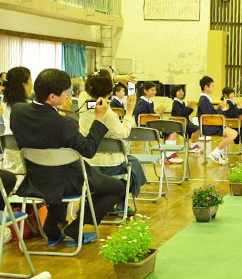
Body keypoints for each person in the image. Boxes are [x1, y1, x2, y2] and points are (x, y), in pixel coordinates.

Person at [11, 68, 125, 247]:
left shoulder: (18, 111)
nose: (69, 96)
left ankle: (52, 230)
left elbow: (81, 107)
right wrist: (99, 117)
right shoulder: (64, 124)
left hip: (37, 180)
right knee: (117, 187)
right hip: (67, 181)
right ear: (52, 97)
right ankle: (77, 227)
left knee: (57, 176)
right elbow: (88, 149)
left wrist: (69, 110)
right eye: (66, 93)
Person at [78, 69, 147, 213]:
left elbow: (93, 96)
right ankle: (121, 202)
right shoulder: (107, 115)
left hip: (87, 163)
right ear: (110, 91)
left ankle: (99, 201)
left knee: (131, 161)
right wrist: (129, 112)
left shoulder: (84, 101)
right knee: (133, 164)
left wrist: (116, 78)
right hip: (108, 164)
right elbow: (123, 132)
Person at [197, 76, 237, 165]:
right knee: (233, 134)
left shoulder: (205, 99)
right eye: (212, 86)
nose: (213, 88)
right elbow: (209, 117)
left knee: (233, 132)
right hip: (208, 127)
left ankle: (219, 151)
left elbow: (211, 114)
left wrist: (220, 109)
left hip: (211, 125)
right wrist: (220, 109)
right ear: (206, 87)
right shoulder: (204, 100)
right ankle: (216, 152)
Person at [220, 86, 242, 155]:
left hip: (234, 123)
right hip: (231, 124)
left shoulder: (231, 103)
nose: (232, 95)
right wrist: (238, 107)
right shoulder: (227, 103)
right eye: (231, 93)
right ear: (225, 95)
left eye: (233, 93)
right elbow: (233, 113)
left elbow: (238, 112)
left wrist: (240, 106)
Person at [170, 85, 202, 154]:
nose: (181, 92)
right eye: (179, 91)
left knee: (198, 128)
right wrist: (188, 107)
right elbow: (181, 114)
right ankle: (193, 146)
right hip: (180, 124)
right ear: (174, 93)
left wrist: (190, 108)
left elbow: (186, 114)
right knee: (197, 129)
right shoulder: (175, 103)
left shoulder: (181, 102)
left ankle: (194, 145)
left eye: (182, 91)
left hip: (186, 122)